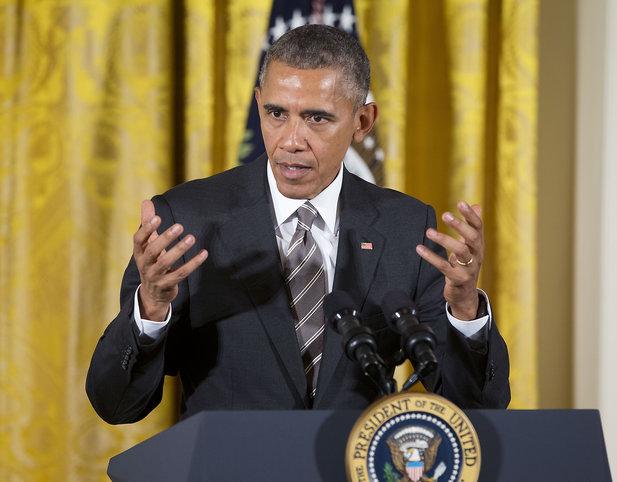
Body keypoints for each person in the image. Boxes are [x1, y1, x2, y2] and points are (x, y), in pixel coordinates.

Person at [86, 25, 510, 424]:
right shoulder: (188, 220)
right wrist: (151, 310)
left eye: (316, 118)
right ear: (258, 105)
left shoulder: (408, 228)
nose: (290, 140)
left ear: (362, 121)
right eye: (275, 113)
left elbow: (473, 409)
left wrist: (466, 310)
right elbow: (117, 403)